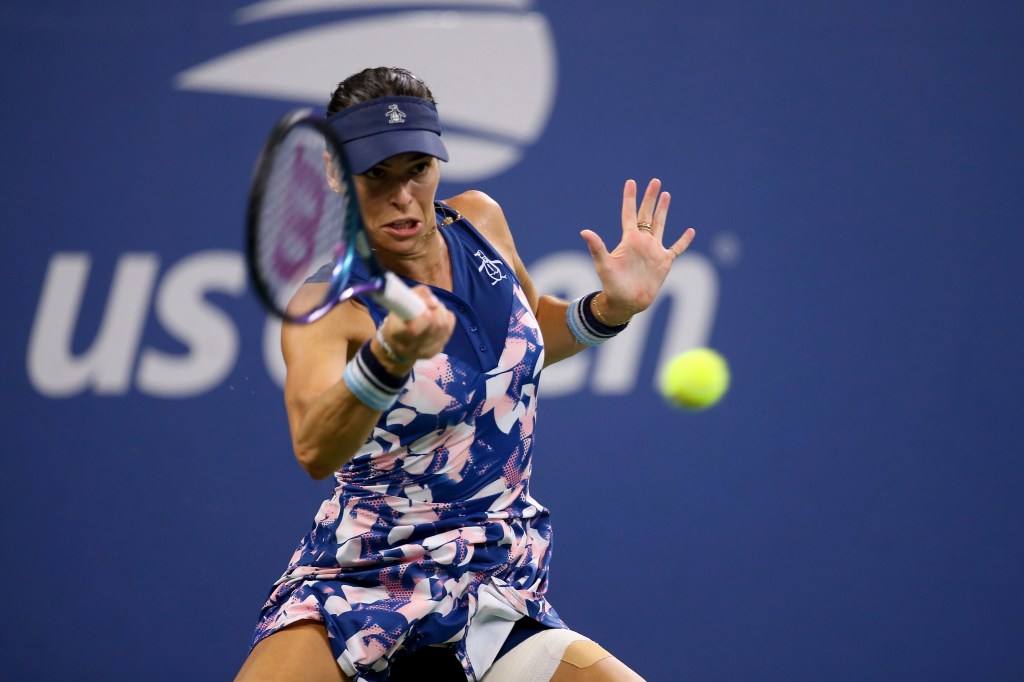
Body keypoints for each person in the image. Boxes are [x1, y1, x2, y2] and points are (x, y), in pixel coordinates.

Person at [235, 66, 695, 682]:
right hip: (364, 580)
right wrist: (387, 361)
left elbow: (524, 339)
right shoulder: (326, 308)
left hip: (494, 580)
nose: (403, 197)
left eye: (417, 170)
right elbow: (315, 448)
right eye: (377, 176)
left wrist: (609, 309)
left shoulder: (480, 220)